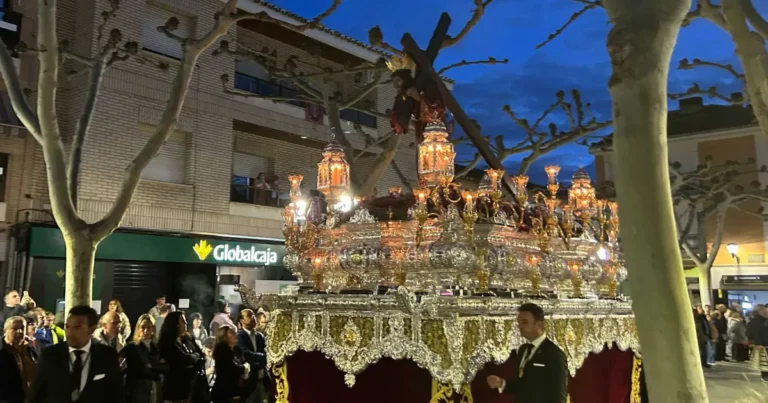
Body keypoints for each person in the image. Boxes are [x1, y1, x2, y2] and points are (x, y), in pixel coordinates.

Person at [28, 305, 125, 403]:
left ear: (92, 329)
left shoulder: (107, 355)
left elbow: (117, 395)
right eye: (67, 327)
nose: (69, 332)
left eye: (77, 328)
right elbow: (36, 395)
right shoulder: (50, 355)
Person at [486, 303, 568, 403]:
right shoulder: (523, 350)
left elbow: (559, 394)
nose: (520, 326)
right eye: (519, 322)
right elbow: (524, 385)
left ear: (539, 324)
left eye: (524, 322)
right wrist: (501, 383)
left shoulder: (553, 353)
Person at [158, 311, 205, 402]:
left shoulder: (188, 338)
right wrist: (194, 358)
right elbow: (181, 360)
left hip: (192, 387)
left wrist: (193, 358)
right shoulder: (167, 343)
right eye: (182, 321)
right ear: (175, 324)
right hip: (176, 388)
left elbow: (201, 355)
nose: (186, 323)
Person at [121, 314, 167, 403]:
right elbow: (138, 369)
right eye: (143, 327)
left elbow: (166, 367)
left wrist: (151, 367)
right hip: (138, 390)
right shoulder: (132, 347)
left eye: (149, 327)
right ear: (138, 328)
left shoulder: (157, 348)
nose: (145, 330)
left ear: (153, 329)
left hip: (155, 387)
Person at [0, 316, 38, 403]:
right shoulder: (2, 351)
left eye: (22, 328)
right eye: (14, 329)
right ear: (5, 331)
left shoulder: (31, 348)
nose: (20, 332)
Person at [211, 326, 249, 403]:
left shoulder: (237, 350)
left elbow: (243, 362)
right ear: (223, 336)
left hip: (238, 390)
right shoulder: (221, 351)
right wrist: (244, 368)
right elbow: (231, 369)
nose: (235, 334)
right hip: (225, 393)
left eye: (234, 332)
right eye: (231, 333)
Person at [236, 309, 267, 403]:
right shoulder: (239, 336)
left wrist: (260, 359)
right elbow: (246, 355)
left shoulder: (260, 336)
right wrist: (261, 358)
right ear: (242, 321)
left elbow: (267, 354)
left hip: (262, 379)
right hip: (249, 382)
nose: (253, 318)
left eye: (253, 315)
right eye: (249, 316)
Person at [747, 305, 768, 381]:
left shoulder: (763, 320)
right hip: (762, 344)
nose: (766, 312)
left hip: (764, 343)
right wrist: (757, 343)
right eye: (764, 310)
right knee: (764, 361)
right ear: (760, 311)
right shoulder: (756, 321)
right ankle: (765, 375)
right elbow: (755, 333)